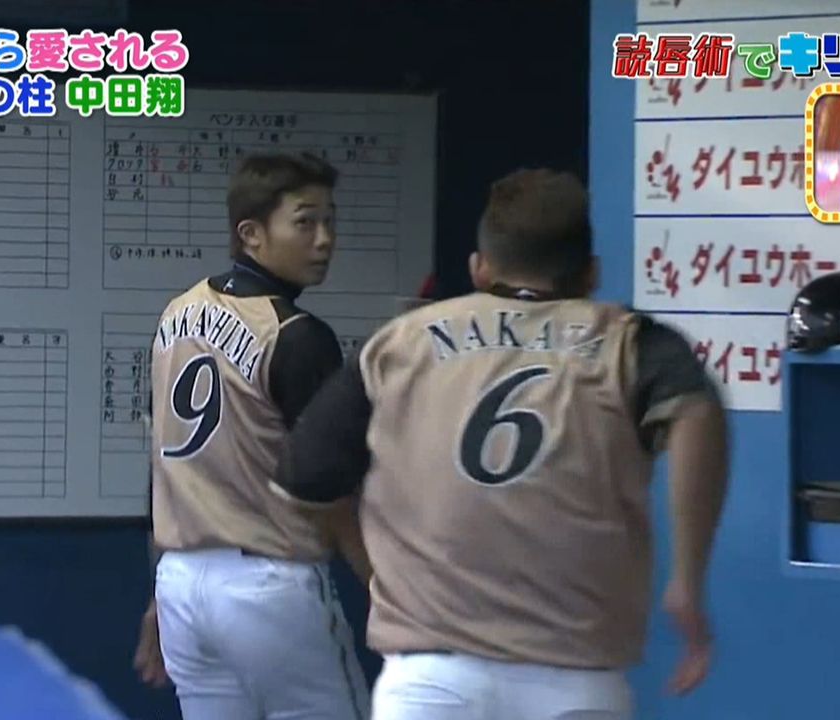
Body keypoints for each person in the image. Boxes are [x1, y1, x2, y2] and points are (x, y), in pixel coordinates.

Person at [270, 168, 731, 719]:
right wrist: (687, 581)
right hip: (574, 678)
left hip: (430, 677)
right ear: (591, 274)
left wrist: (376, 575)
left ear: (479, 268)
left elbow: (305, 478)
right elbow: (697, 413)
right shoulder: (630, 342)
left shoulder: (400, 342)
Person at [134, 151, 371, 720]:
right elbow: (330, 488)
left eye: (329, 221)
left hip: (182, 582)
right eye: (305, 222)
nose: (324, 239)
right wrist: (381, 585)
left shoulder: (177, 314)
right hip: (268, 582)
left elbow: (162, 469)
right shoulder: (295, 334)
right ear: (251, 234)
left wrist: (157, 593)